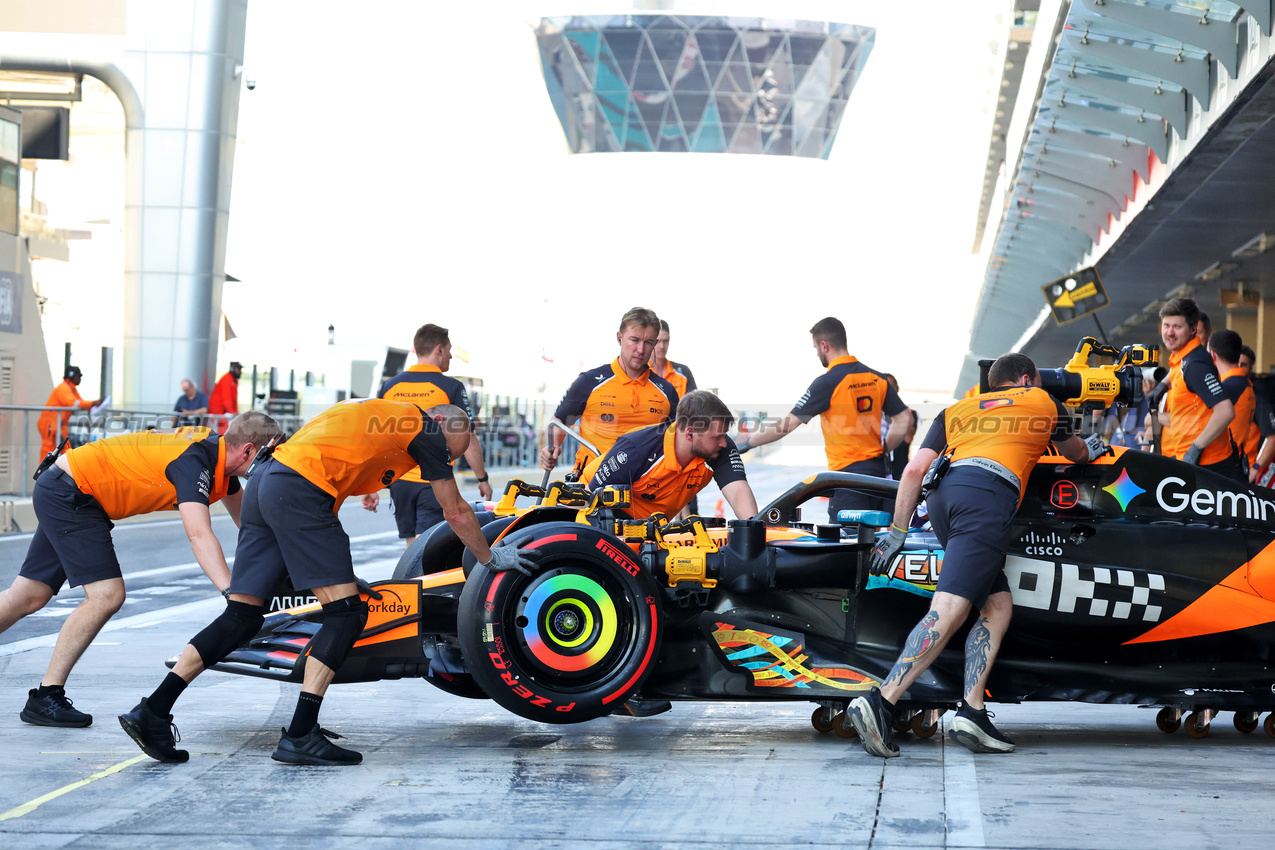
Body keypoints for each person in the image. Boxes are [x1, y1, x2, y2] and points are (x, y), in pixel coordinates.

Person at [119, 399, 538, 766]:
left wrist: (336, 575)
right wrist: (490, 557)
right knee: (348, 614)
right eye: (449, 453)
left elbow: (322, 487)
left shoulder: (374, 415)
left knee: (243, 615)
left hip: (268, 482)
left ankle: (152, 711)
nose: (442, 462)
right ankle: (301, 733)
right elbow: (458, 511)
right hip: (297, 490)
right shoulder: (425, 431)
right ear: (443, 427)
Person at [848, 353, 1101, 758]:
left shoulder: (958, 409)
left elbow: (913, 472)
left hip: (944, 500)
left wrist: (898, 530)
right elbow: (1077, 455)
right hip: (986, 498)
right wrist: (1091, 446)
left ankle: (972, 711)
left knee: (996, 605)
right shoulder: (1043, 403)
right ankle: (882, 700)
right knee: (949, 608)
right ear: (1025, 379)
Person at [0, 411, 279, 727]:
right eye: (269, 457)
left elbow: (250, 527)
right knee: (107, 595)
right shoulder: (195, 462)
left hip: (65, 486)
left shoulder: (217, 458)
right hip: (74, 494)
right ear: (248, 452)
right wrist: (233, 595)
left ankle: (45, 697)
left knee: (28, 595)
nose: (271, 466)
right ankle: (47, 695)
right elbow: (199, 535)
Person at [735, 317, 913, 521]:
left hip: (848, 479)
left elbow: (787, 425)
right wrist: (885, 448)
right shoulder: (876, 378)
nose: (817, 353)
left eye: (815, 348)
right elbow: (904, 419)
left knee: (846, 545)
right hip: (878, 476)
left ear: (824, 345)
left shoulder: (828, 382)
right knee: (877, 542)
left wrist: (748, 443)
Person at [376, 324, 493, 545]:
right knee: (426, 546)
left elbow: (379, 436)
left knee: (412, 545)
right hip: (432, 478)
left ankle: (411, 579)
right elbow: (468, 439)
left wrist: (372, 484)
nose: (450, 356)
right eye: (449, 350)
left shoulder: (390, 385)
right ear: (438, 349)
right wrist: (482, 478)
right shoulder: (451, 386)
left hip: (399, 479)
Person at [540, 307, 679, 478]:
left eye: (648, 342)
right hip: (589, 489)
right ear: (619, 338)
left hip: (643, 491)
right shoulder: (589, 382)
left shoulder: (667, 392)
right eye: (634, 340)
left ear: (655, 343)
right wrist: (551, 448)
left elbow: (677, 442)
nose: (641, 350)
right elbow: (559, 420)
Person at [584, 390, 758, 521]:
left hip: (651, 525)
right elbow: (587, 503)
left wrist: (757, 540)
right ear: (690, 433)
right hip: (601, 509)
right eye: (716, 437)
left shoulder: (717, 447)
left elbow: (738, 493)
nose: (724, 443)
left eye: (723, 435)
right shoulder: (636, 448)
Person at [1156, 298, 1236, 474]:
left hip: (1207, 466)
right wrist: (1162, 385)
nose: (1169, 332)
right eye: (1166, 325)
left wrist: (1195, 449)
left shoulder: (1194, 365)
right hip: (1189, 462)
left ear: (1193, 329)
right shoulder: (1184, 358)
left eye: (1177, 327)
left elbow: (1226, 411)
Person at [650, 319, 701, 513]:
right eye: (658, 341)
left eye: (666, 341)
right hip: (654, 447)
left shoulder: (682, 372)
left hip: (682, 445)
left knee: (688, 501)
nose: (662, 346)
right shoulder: (642, 373)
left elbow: (697, 408)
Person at [1208, 329, 1255, 481]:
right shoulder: (1244, 383)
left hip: (1226, 467)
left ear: (1213, 355)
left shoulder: (1228, 387)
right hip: (1237, 463)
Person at [38, 366, 99, 456]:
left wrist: (92, 404)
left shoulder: (72, 389)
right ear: (72, 376)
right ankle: (44, 470)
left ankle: (63, 469)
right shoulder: (63, 388)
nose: (80, 379)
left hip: (59, 425)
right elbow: (73, 403)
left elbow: (80, 402)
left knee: (66, 451)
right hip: (50, 425)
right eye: (79, 376)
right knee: (49, 451)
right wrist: (93, 403)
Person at [882, 374, 918, 480]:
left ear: (897, 388)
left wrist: (895, 414)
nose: (889, 389)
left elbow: (908, 438)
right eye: (885, 386)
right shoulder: (873, 413)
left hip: (898, 469)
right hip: (877, 468)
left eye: (891, 386)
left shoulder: (909, 413)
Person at [208, 361, 242, 433]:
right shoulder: (227, 379)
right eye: (238, 369)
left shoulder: (234, 381)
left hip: (224, 411)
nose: (240, 372)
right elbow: (226, 399)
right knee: (222, 431)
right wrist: (232, 412)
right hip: (217, 410)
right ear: (233, 369)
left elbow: (234, 399)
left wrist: (236, 412)